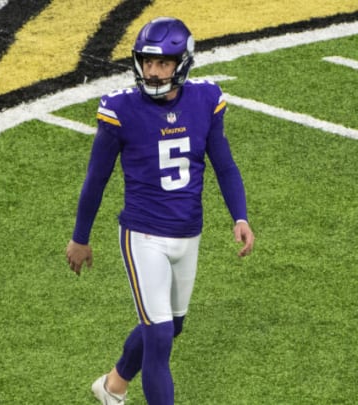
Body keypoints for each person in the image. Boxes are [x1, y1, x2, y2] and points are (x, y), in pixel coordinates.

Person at [65, 17, 255, 405]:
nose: (153, 71)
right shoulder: (120, 108)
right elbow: (95, 179)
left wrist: (240, 215)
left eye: (163, 63)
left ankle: (113, 384)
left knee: (174, 324)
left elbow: (224, 163)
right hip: (143, 234)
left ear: (181, 64)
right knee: (159, 336)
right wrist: (80, 237)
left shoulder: (205, 100)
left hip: (189, 232)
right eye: (148, 62)